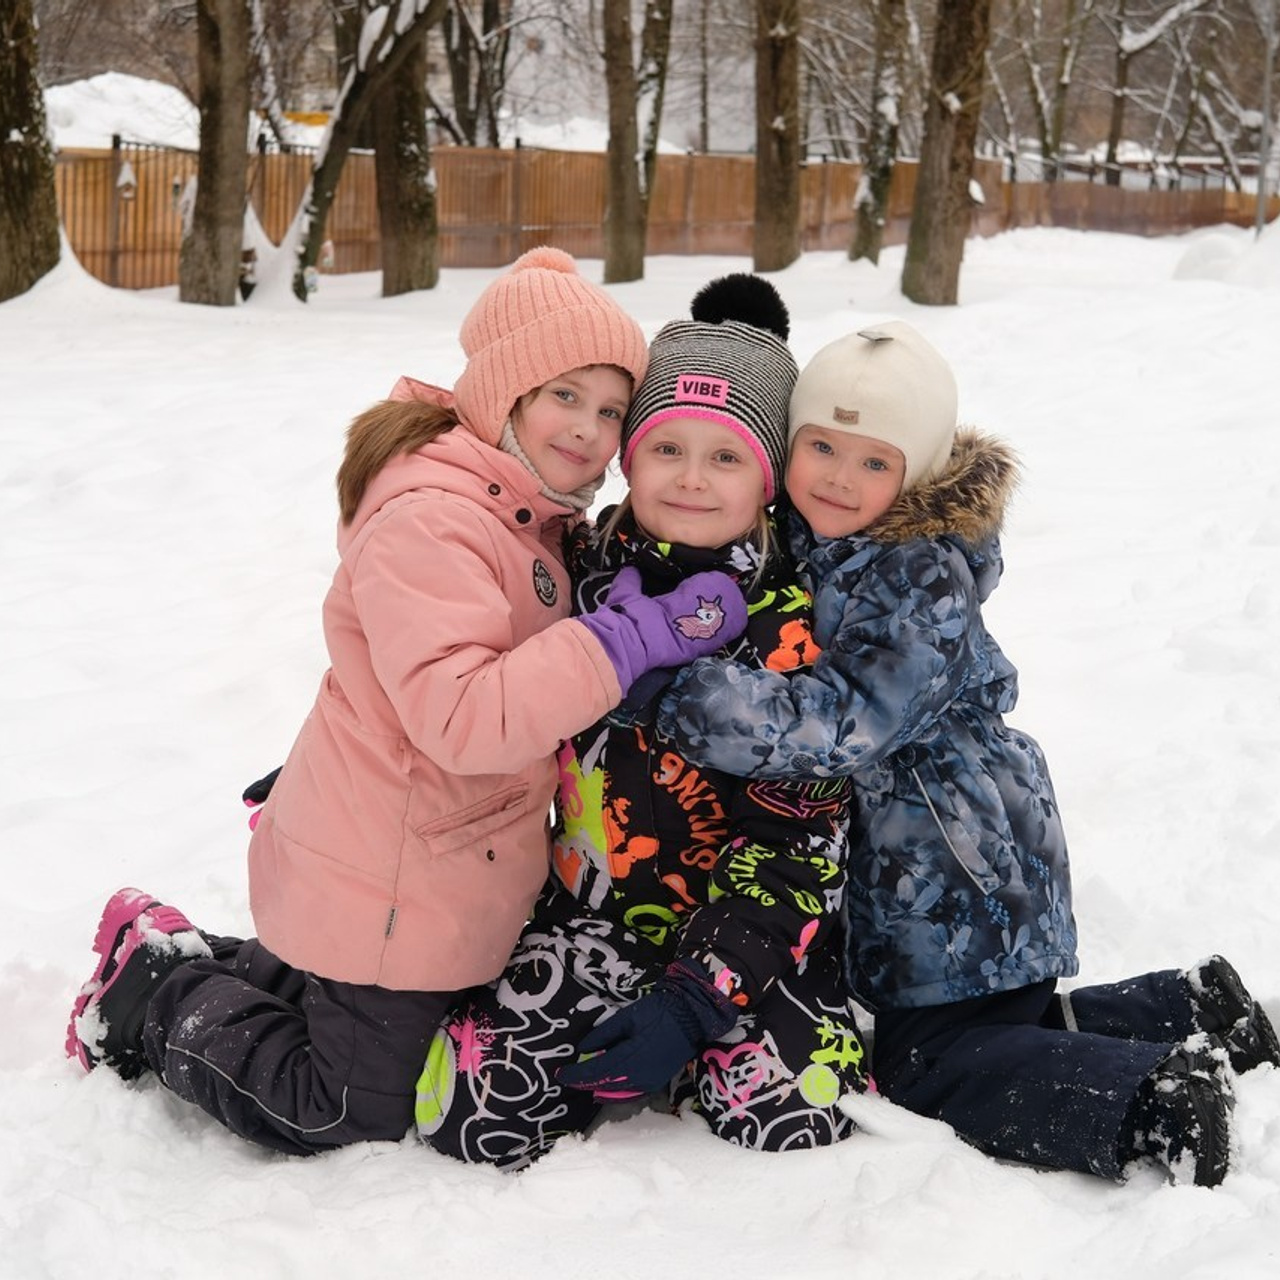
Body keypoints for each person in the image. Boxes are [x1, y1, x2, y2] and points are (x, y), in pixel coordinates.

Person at [64, 247, 751, 1156]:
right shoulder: (434, 518)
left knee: (382, 1020)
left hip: (420, 852)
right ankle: (151, 988)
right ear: (505, 395)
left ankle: (251, 970)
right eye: (564, 395)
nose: (589, 429)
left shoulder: (526, 509)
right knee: (346, 1106)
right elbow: (462, 715)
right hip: (392, 868)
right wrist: (621, 641)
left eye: (611, 409)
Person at [657, 321, 1280, 1188]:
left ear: (917, 473)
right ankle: (1189, 1009)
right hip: (957, 835)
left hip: (951, 852)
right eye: (822, 447)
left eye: (875, 461)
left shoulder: (917, 571)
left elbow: (849, 721)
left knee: (929, 1064)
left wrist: (678, 695)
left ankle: (1150, 1101)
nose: (840, 476)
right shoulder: (828, 540)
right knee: (997, 1019)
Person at [416, 275, 870, 1170]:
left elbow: (799, 839)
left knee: (799, 1117)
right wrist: (382, 768)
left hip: (740, 939)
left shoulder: (789, 626)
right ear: (630, 457)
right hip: (589, 919)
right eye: (667, 447)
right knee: (470, 1114)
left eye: (728, 457)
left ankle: (698, 1054)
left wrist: (699, 1000)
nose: (692, 479)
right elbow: (467, 689)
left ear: (768, 475)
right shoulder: (571, 576)